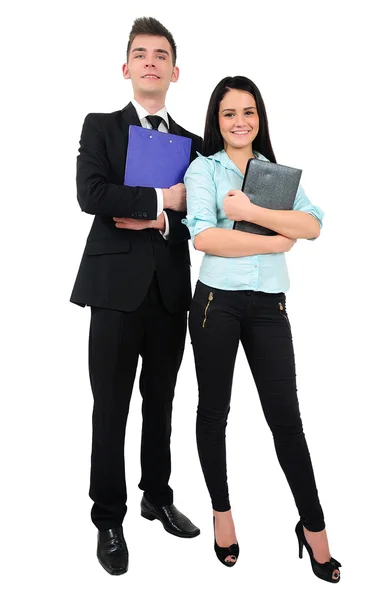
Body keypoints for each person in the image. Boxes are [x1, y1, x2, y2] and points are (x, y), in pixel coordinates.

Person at [183, 76, 341, 582]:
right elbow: (205, 238)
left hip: (269, 306)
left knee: (287, 421)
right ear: (217, 120)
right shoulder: (203, 169)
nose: (240, 122)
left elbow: (313, 224)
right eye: (229, 113)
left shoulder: (274, 175)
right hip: (215, 305)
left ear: (260, 118)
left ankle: (314, 528)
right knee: (214, 413)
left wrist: (250, 213)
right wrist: (275, 239)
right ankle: (222, 514)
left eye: (248, 111)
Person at [70, 17, 202, 575]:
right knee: (112, 407)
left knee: (162, 403)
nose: (151, 61)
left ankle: (156, 494)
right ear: (127, 68)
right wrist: (159, 200)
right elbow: (91, 194)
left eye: (161, 54)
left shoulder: (193, 144)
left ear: (175, 70)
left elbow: (197, 218)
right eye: (141, 54)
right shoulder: (101, 126)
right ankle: (108, 515)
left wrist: (153, 219)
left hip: (170, 293)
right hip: (115, 292)